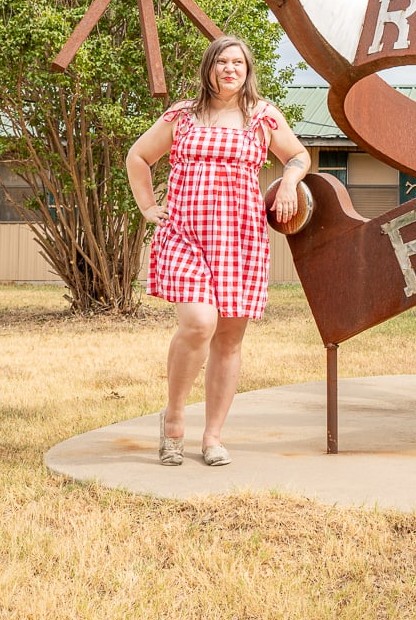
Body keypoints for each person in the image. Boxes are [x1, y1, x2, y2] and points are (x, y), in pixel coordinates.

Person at [126, 35, 309, 466]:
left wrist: (288, 181)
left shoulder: (262, 117)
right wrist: (149, 206)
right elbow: (139, 156)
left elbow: (298, 155)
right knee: (198, 324)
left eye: (238, 63)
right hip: (186, 235)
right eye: (222, 62)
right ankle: (173, 419)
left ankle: (212, 437)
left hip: (241, 239)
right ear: (209, 68)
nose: (230, 69)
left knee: (228, 340)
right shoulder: (182, 116)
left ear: (247, 72)